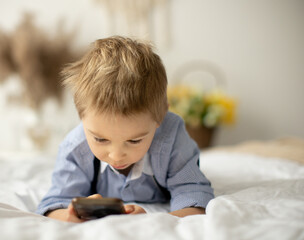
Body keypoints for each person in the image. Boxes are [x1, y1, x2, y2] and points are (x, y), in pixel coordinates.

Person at [36, 36, 214, 222]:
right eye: (100, 139)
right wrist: (70, 215)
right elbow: (52, 206)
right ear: (81, 117)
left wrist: (152, 221)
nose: (116, 155)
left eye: (134, 140)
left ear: (160, 117)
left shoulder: (172, 137)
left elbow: (195, 200)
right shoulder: (75, 147)